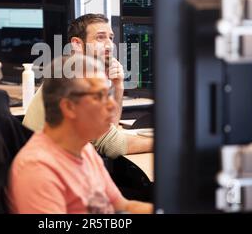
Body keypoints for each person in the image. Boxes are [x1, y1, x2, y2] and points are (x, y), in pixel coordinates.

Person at [8, 55, 153, 214]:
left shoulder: (84, 149)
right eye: (99, 96)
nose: (112, 105)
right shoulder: (37, 170)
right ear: (69, 107)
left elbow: (122, 206)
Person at [23, 13, 153, 158]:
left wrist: (118, 86)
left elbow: (108, 130)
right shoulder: (74, 79)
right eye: (100, 37)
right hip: (49, 170)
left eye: (111, 38)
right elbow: (115, 146)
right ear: (77, 44)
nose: (109, 45)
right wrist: (168, 142)